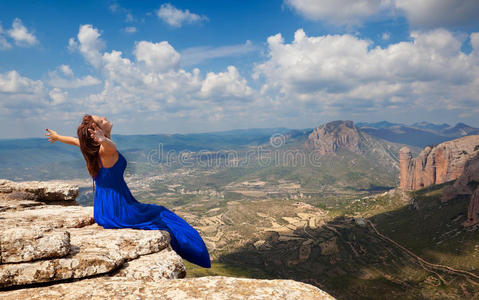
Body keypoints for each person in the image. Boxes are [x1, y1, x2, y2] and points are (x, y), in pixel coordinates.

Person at [45, 114, 211, 268]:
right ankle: (198, 254)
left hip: (103, 210)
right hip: (120, 209)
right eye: (101, 121)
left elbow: (75, 141)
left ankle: (196, 253)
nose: (104, 118)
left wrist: (57, 137)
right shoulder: (106, 150)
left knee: (158, 214)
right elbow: (110, 146)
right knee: (162, 214)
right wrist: (104, 140)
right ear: (97, 132)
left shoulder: (91, 150)